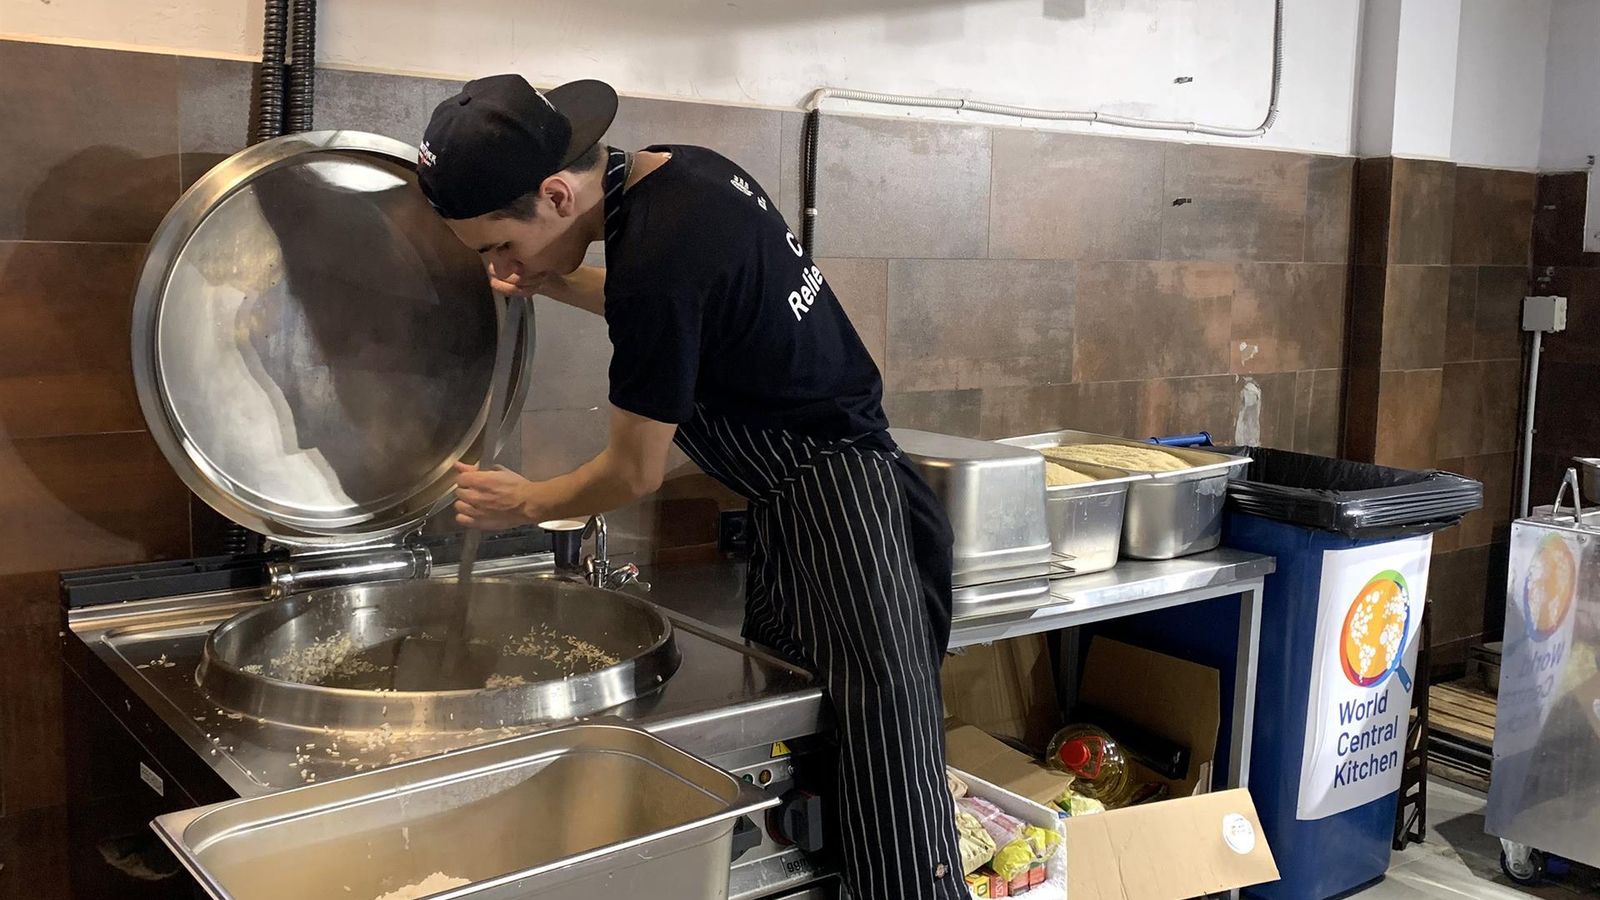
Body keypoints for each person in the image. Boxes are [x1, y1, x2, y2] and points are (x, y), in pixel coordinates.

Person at [416, 74, 970, 899]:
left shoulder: (658, 260)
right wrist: (553, 279)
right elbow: (672, 307)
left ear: (557, 192)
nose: (499, 266)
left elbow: (631, 470)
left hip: (843, 506)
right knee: (813, 740)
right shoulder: (682, 175)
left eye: (500, 244)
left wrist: (522, 502)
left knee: (890, 762)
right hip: (810, 503)